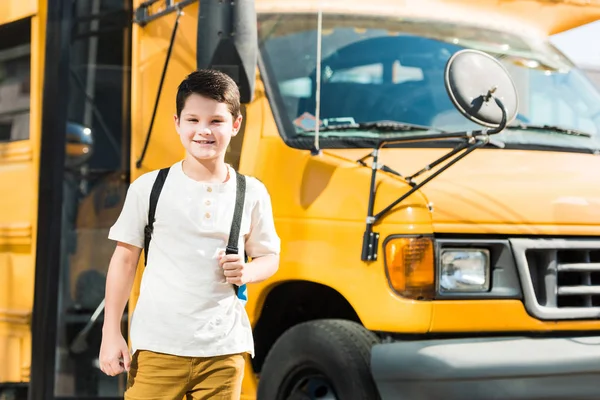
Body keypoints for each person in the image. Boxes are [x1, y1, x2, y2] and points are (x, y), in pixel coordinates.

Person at [98, 69, 281, 399]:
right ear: (177, 123)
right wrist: (111, 332)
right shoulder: (149, 188)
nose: (204, 131)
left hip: (224, 352)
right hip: (156, 348)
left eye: (216, 121)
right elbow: (124, 261)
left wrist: (248, 270)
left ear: (236, 124)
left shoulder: (251, 192)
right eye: (193, 120)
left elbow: (269, 256)